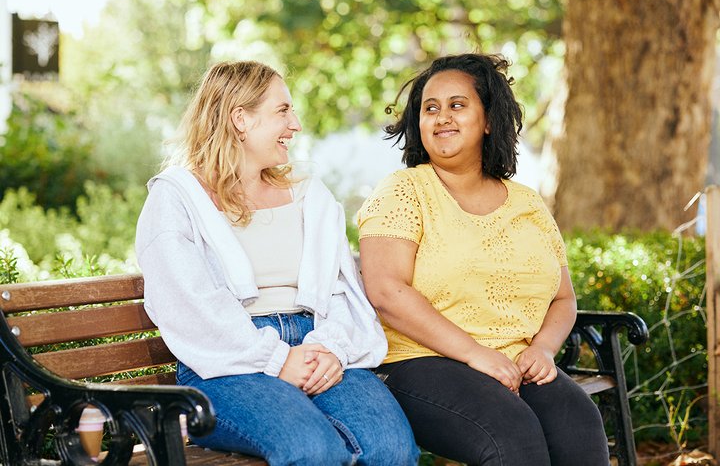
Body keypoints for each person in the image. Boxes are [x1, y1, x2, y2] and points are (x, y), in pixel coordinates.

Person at [135, 61, 418, 466]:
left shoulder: (310, 195)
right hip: (228, 360)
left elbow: (340, 289)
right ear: (240, 119)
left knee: (391, 449)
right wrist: (275, 358)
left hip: (317, 344)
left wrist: (332, 347)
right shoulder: (177, 198)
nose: (296, 124)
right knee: (312, 450)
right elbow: (189, 304)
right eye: (283, 111)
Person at [357, 53, 609, 466]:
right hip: (421, 363)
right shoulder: (403, 191)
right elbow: (386, 291)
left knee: (578, 422)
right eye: (430, 109)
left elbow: (564, 298)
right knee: (513, 435)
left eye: (457, 105)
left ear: (489, 120)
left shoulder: (528, 203)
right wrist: (476, 353)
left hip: (517, 362)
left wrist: (543, 350)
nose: (441, 118)